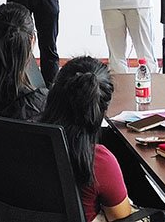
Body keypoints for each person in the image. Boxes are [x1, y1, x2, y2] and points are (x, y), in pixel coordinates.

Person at [40, 56, 134, 222]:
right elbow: (122, 217)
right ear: (101, 109)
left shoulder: (24, 140)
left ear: (53, 93)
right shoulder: (98, 161)